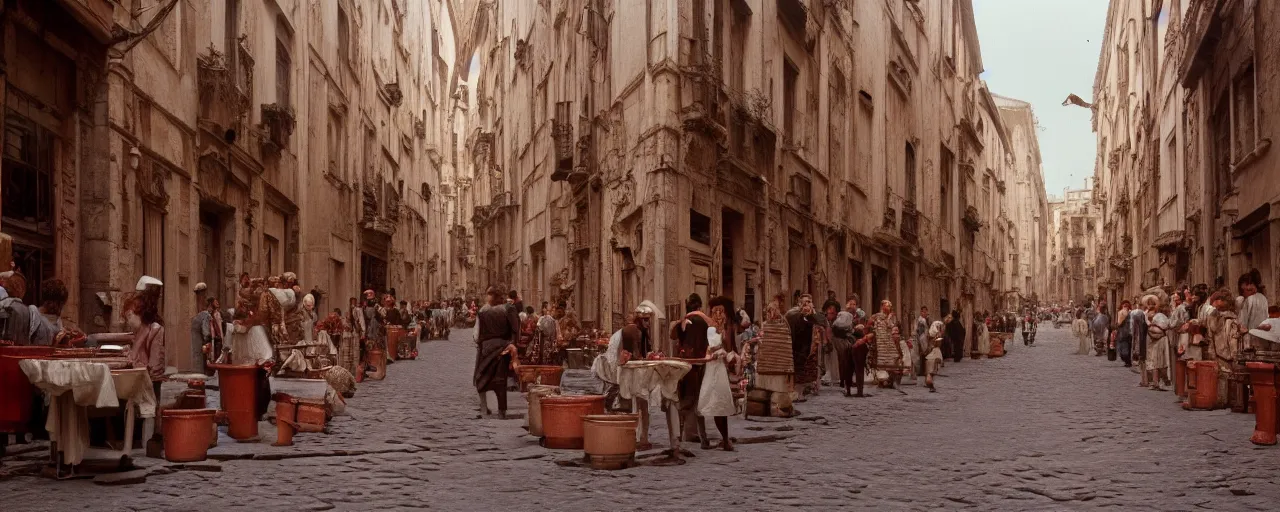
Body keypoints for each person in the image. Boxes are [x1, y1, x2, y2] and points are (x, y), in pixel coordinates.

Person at [473, 287, 520, 418]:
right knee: (500, 380)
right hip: (503, 348)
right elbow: (515, 329)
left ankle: (483, 409)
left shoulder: (482, 312)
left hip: (486, 348)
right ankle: (501, 411)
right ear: (499, 298)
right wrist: (512, 345)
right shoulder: (508, 309)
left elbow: (476, 336)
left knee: (481, 377)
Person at [697, 301, 738, 451]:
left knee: (719, 404)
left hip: (718, 369)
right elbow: (711, 349)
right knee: (716, 404)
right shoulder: (713, 330)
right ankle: (725, 439)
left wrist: (725, 353)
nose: (720, 317)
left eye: (721, 314)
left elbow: (722, 349)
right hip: (714, 368)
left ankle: (725, 439)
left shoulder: (723, 331)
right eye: (717, 314)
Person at [673, 293, 711, 446]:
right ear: (700, 306)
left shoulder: (684, 321)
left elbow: (677, 340)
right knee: (698, 401)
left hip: (685, 365)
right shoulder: (705, 321)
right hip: (701, 364)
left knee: (686, 399)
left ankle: (680, 435)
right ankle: (702, 437)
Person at [785, 294, 824, 397]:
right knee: (797, 368)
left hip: (811, 346)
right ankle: (796, 391)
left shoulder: (815, 314)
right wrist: (803, 315)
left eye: (809, 302)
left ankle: (809, 387)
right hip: (796, 344)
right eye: (804, 302)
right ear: (799, 304)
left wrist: (811, 314)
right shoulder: (792, 314)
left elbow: (821, 323)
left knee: (810, 368)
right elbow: (791, 322)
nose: (806, 304)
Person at [869, 300, 905, 388]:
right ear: (882, 306)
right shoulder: (876, 316)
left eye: (890, 306)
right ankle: (881, 380)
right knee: (881, 360)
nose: (888, 307)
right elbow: (870, 325)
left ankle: (891, 379)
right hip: (880, 339)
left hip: (889, 340)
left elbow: (892, 326)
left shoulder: (892, 316)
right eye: (887, 305)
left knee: (893, 359)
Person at [1143, 293, 1171, 391]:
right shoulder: (1147, 314)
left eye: (1153, 304)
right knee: (1154, 361)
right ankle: (1155, 382)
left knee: (1161, 362)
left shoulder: (1161, 316)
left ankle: (1161, 382)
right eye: (1149, 304)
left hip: (1160, 340)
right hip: (1152, 340)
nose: (1151, 306)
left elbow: (1165, 326)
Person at [1237, 271, 1270, 350]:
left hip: (1250, 344)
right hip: (1264, 342)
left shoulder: (1248, 300)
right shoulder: (1263, 298)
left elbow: (1242, 325)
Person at [1113, 300, 1134, 367]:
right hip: (1122, 332)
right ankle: (1127, 361)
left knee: (1127, 347)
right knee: (1123, 348)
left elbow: (1119, 323)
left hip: (1129, 333)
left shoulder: (1131, 313)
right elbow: (1119, 323)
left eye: (1126, 305)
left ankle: (1128, 361)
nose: (1125, 307)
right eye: (1124, 305)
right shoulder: (1120, 312)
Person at [914, 307, 929, 381]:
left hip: (923, 339)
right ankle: (921, 371)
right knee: (922, 355)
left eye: (926, 312)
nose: (925, 313)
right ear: (921, 312)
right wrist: (921, 341)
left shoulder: (923, 320)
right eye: (924, 312)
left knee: (923, 355)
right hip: (921, 339)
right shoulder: (921, 320)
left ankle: (922, 370)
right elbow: (920, 331)